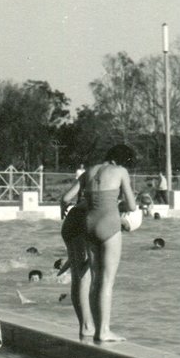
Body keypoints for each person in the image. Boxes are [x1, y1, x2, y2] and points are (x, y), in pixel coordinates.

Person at [60, 143, 138, 342]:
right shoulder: (121, 171)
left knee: (88, 279)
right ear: (123, 161)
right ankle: (103, 331)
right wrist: (118, 203)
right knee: (105, 281)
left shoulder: (89, 171)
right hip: (109, 223)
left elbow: (66, 198)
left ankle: (88, 327)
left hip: (87, 224)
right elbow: (131, 205)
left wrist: (64, 211)